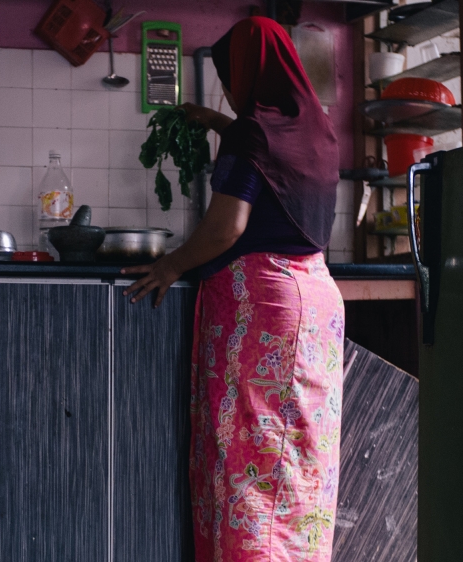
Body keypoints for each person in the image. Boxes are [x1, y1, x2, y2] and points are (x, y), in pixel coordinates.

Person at [122, 17, 344, 562]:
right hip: (315, 302)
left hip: (265, 306)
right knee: (298, 465)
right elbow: (269, 158)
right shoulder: (317, 131)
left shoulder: (252, 133)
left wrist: (171, 265)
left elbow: (227, 227)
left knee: (253, 458)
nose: (226, 88)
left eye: (229, 77)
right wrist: (218, 122)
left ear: (247, 73)